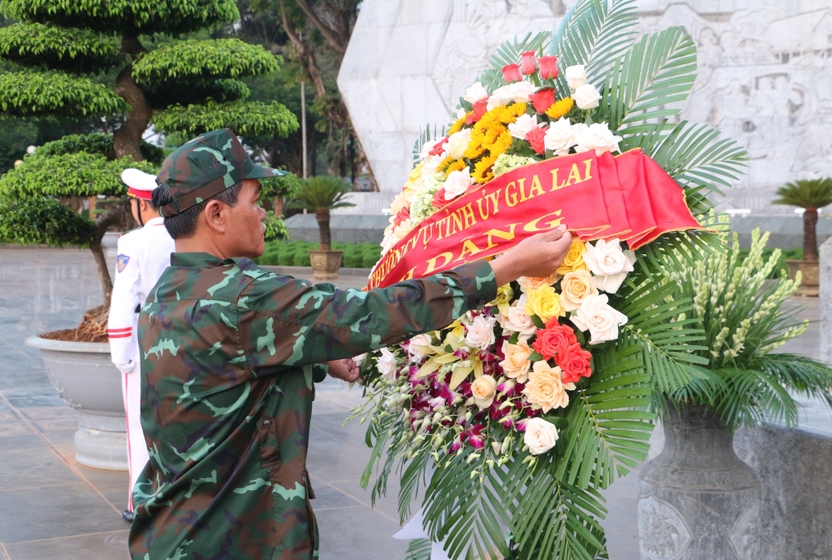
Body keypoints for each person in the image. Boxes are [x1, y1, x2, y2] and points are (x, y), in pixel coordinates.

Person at [128, 128, 572, 560]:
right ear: (216, 215)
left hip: (173, 531)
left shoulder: (166, 293)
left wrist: (320, 361)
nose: (263, 213)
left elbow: (220, 368)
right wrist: (504, 268)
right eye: (255, 201)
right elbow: (372, 312)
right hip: (235, 537)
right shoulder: (247, 297)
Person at [106, 168, 175, 523]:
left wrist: (121, 354)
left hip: (144, 345)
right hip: (186, 343)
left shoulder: (133, 242)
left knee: (139, 427)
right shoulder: (184, 234)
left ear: (139, 205)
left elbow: (123, 302)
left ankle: (141, 502)